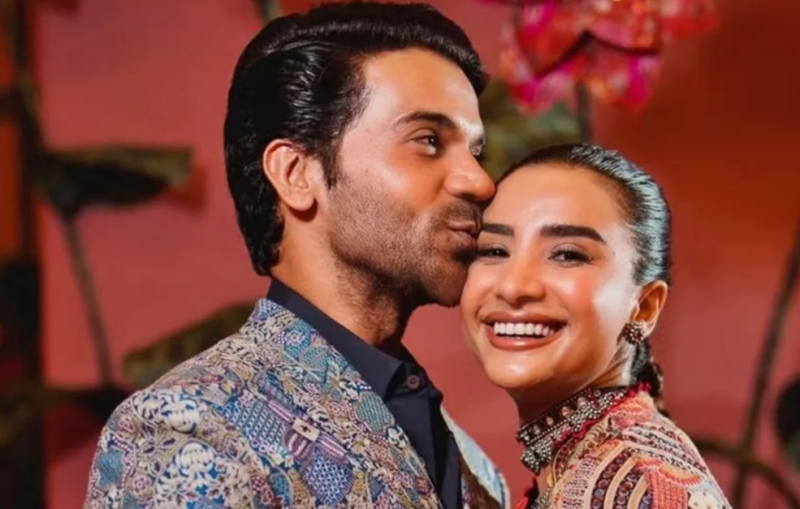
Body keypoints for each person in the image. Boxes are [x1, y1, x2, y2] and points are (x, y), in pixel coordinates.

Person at [83, 3, 509, 508]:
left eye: (475, 152)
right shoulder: (196, 430)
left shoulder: (472, 464)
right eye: (429, 141)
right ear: (295, 173)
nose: (480, 182)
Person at [460, 144, 731, 509]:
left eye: (567, 255)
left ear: (644, 307)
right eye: (494, 251)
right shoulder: (596, 460)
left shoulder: (631, 482)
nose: (513, 286)